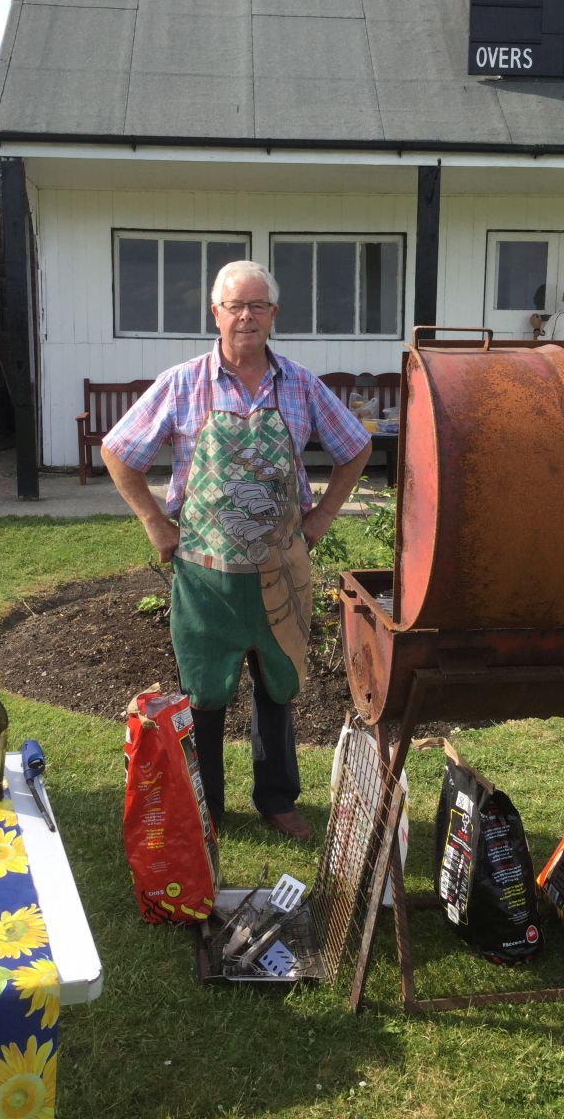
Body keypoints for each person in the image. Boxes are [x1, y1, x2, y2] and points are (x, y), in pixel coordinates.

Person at [102, 260, 372, 841]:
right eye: (234, 306)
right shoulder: (181, 383)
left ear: (274, 315)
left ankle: (277, 799)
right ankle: (209, 805)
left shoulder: (299, 383)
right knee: (204, 691)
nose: (245, 316)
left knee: (279, 685)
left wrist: (324, 513)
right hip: (205, 577)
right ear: (215, 313)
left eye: (257, 306)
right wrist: (154, 522)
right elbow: (119, 450)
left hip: (281, 573)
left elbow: (355, 445)